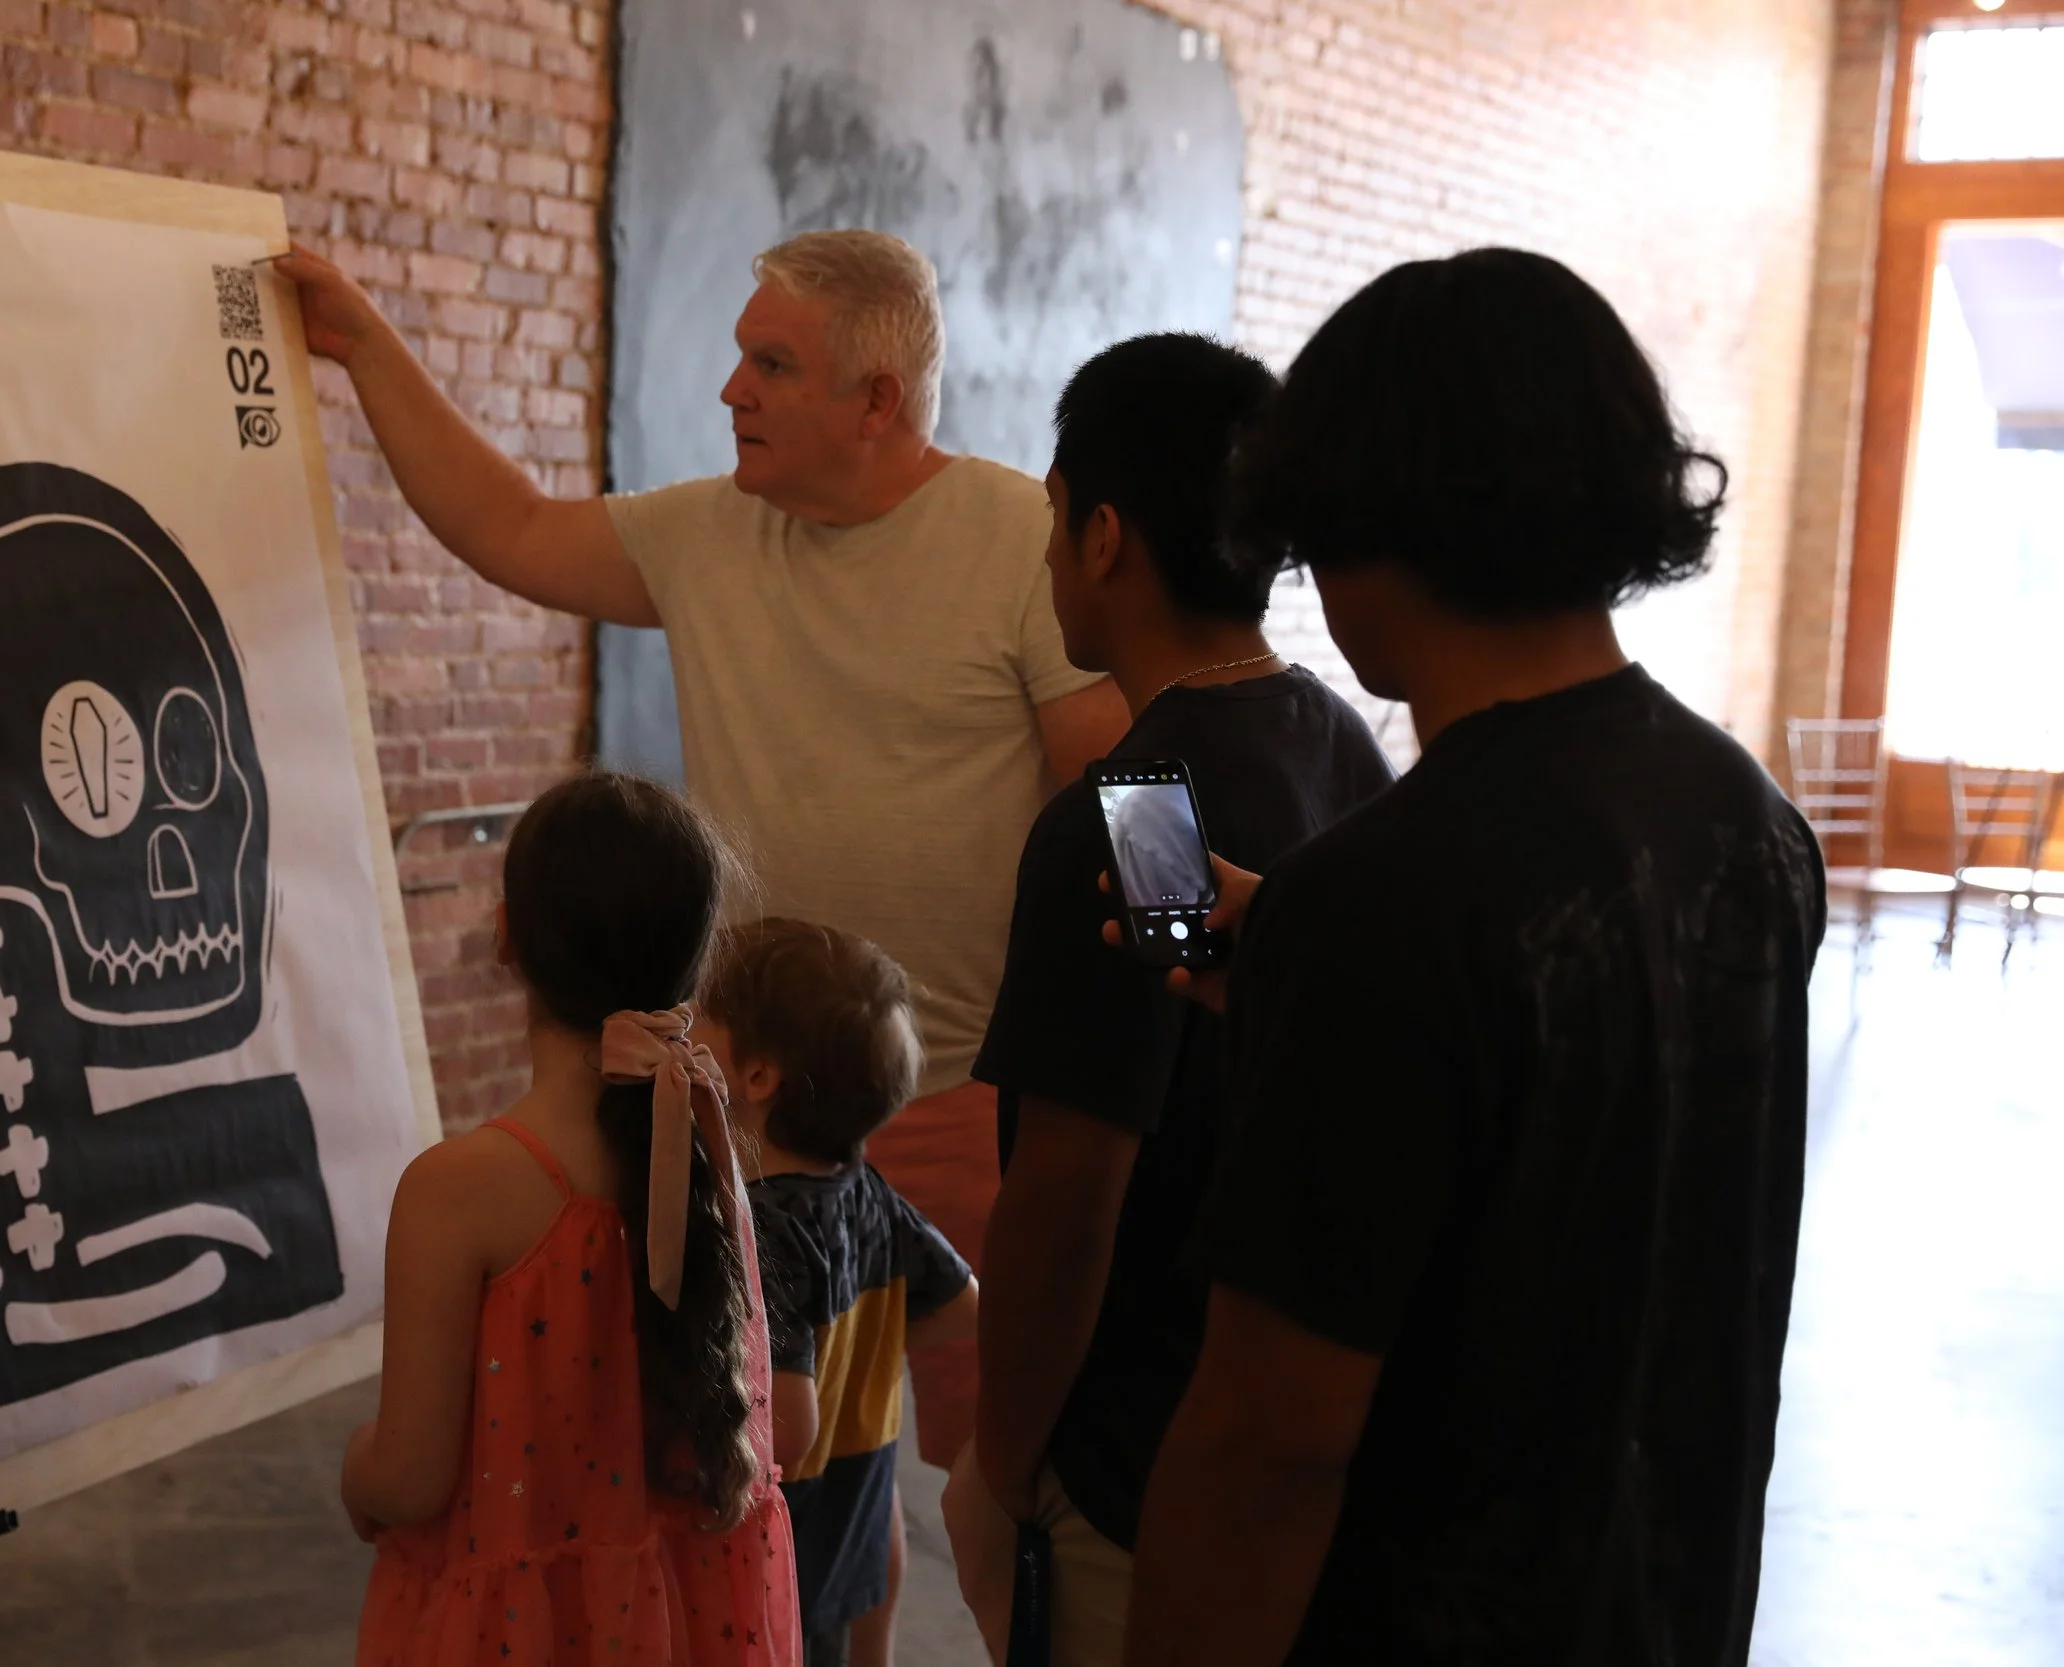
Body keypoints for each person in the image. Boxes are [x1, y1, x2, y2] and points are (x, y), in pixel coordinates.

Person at [280, 230, 1129, 1465]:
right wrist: (363, 345)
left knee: (994, 1468)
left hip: (958, 1096)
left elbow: (1115, 791)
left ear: (876, 399)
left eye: (771, 364)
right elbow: (508, 527)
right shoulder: (712, 530)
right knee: (778, 1459)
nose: (732, 389)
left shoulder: (1012, 539)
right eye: (740, 357)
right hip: (747, 1104)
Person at [1122, 250, 1827, 1666]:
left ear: (1365, 514)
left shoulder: (1389, 892)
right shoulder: (1747, 818)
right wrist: (1312, 980)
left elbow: (1269, 1440)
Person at [940, 334, 1393, 1666]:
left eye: (1049, 516)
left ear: (1101, 538)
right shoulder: (1345, 740)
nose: (1044, 554)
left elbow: (1076, 1184)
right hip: (1302, 1439)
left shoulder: (1147, 810)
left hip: (1145, 1468)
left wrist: (1003, 1464)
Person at [344, 772, 798, 1666]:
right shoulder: (706, 1151)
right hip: (688, 1613)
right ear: (695, 953)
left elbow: (410, 1474)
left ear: (507, 937)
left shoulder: (458, 1186)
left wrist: (357, 1466)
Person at [697, 919, 981, 1667]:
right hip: (860, 1518)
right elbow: (964, 1302)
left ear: (756, 1077)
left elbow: (786, 1429)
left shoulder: (768, 1229)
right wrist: (852, 1348)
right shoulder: (867, 1192)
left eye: (705, 1016)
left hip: (793, 1549)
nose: (688, 1026)